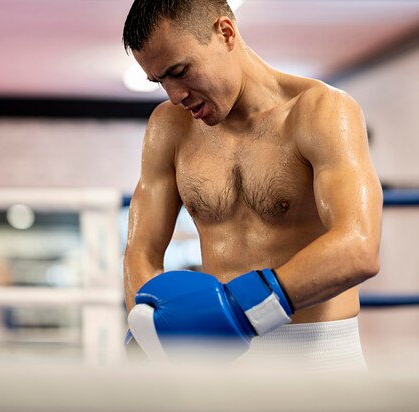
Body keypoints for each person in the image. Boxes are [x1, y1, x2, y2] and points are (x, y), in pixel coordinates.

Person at [122, 0, 382, 370]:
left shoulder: (321, 111)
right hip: (221, 363)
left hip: (317, 356)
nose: (175, 95)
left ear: (225, 33)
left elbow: (358, 246)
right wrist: (147, 327)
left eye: (180, 71)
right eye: (160, 80)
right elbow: (141, 250)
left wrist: (240, 311)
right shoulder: (169, 127)